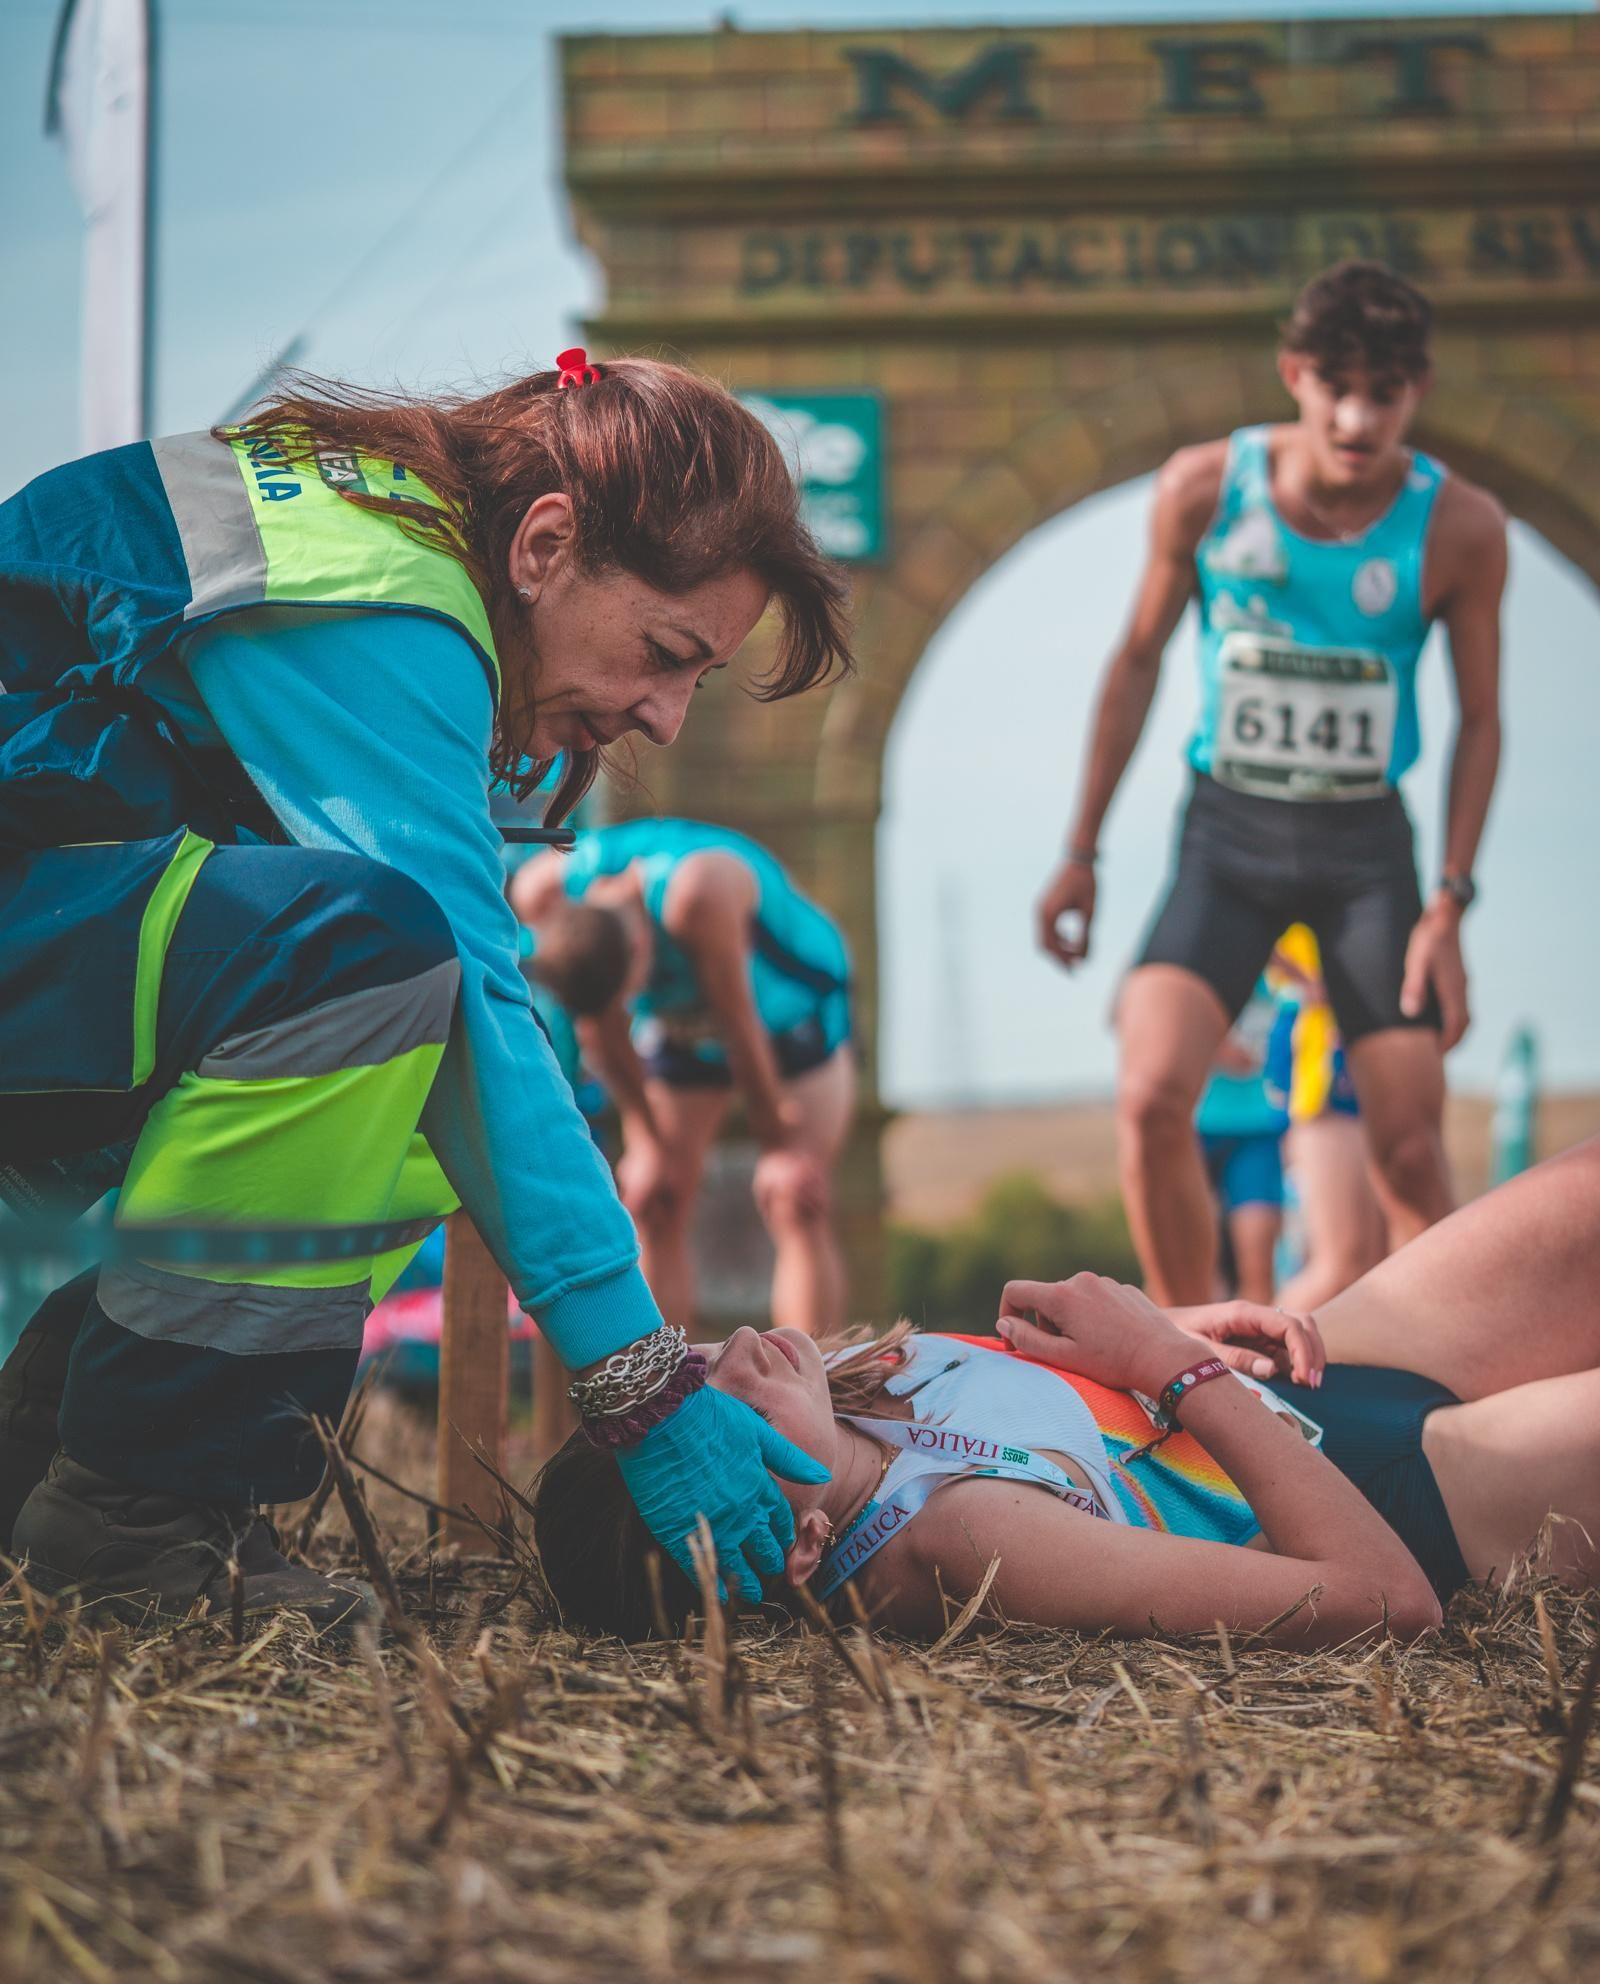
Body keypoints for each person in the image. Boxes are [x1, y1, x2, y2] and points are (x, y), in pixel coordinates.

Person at [0, 354, 852, 1623]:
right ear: (547, 544)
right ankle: (140, 1516)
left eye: (696, 680)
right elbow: (461, 990)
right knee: (370, 960)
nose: (667, 720)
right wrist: (643, 1383)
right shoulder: (389, 605)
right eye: (665, 654)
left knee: (410, 1091)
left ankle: (66, 1435)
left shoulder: (394, 535)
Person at [533, 1138, 1600, 1651]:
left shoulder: (842, 1406)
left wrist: (1165, 1331)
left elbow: (1075, 1435)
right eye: (736, 1411)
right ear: (798, 1546)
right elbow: (1382, 1601)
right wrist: (1170, 1371)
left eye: (695, 1361)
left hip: (1322, 1372)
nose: (742, 1353)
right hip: (1411, 1490)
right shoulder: (963, 1541)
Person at [1036, 261, 1507, 1304]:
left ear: (1413, 393)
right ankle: (1182, 1355)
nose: (1355, 417)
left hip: (1366, 860)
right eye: (1335, 386)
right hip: (1227, 841)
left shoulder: (1460, 527)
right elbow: (1136, 659)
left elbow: (1480, 720)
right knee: (1152, 1094)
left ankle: (1452, 1373)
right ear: (1292, 373)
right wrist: (1080, 853)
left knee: (1410, 1150)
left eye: (1382, 394)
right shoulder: (1205, 489)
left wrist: (1448, 905)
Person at [512, 821, 854, 1333]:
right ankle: (667, 1398)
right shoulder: (543, 895)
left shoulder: (697, 896)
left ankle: (815, 1388)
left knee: (792, 1194)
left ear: (640, 953)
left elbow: (739, 1025)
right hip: (688, 1027)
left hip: (786, 1012)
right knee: (652, 1197)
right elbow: (601, 1038)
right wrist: (651, 1144)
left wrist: (779, 1140)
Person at [1267, 924, 1387, 1310]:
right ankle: (1253, 1360)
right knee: (1338, 1266)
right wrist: (1316, 983)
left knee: (1373, 1268)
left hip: (1371, 1061)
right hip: (1322, 1070)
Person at [1193, 977, 1287, 1304]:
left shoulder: (1290, 960)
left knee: (1259, 1268)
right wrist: (1205, 1038)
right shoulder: (1189, 942)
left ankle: (1253, 1354)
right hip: (1196, 1129)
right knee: (1195, 1270)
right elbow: (1125, 1013)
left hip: (1260, 1130)